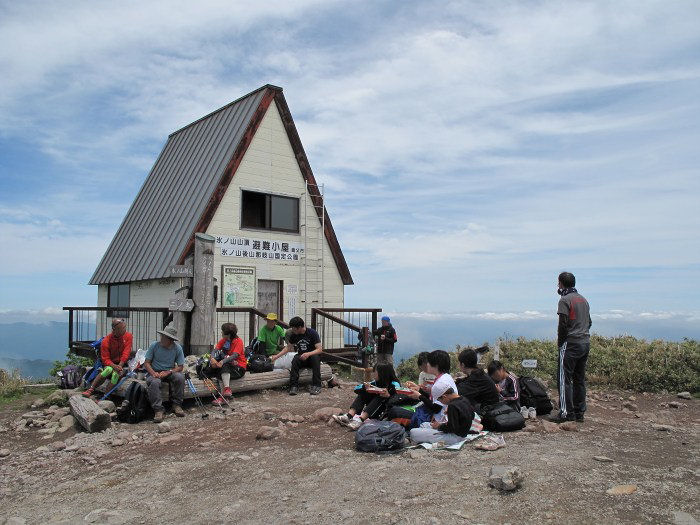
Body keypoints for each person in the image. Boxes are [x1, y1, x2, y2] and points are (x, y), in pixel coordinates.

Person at [553, 271, 591, 423]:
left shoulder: (564, 300)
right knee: (579, 379)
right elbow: (589, 322)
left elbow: (563, 323)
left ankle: (566, 413)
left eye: (558, 283)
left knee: (564, 379)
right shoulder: (583, 299)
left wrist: (561, 343)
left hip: (571, 343)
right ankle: (579, 412)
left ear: (561, 283)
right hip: (585, 342)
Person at [333, 364, 401, 430]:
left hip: (386, 411)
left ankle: (360, 420)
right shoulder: (376, 382)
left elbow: (400, 399)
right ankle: (348, 416)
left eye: (375, 372)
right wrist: (364, 387)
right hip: (374, 410)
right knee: (363, 393)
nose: (373, 373)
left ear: (382, 373)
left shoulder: (394, 384)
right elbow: (356, 389)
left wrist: (388, 396)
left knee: (381, 396)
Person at [143, 325, 185, 422]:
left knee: (180, 378)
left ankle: (177, 405)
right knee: (154, 383)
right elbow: (147, 363)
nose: (161, 338)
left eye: (163, 337)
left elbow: (180, 366)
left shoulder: (177, 348)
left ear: (170, 340)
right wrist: (153, 373)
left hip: (169, 371)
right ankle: (158, 410)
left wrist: (169, 372)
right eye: (162, 336)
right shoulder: (154, 345)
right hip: (155, 371)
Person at [404, 350, 457, 427]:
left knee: (413, 432)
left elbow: (436, 409)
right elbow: (434, 401)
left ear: (436, 365)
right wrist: (419, 390)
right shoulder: (446, 377)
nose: (427, 365)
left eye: (429, 362)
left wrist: (419, 396)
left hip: (439, 421)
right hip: (442, 417)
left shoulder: (440, 383)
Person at [82, 318, 133, 398]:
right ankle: (91, 389)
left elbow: (126, 352)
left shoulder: (128, 336)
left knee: (116, 375)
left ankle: (106, 395)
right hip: (110, 364)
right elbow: (105, 359)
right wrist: (114, 366)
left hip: (122, 364)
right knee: (108, 370)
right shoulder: (106, 340)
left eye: (124, 327)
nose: (124, 330)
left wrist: (119, 366)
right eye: (122, 328)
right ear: (115, 329)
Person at [409, 386, 477, 446]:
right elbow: (472, 415)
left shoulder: (452, 406)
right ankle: (426, 436)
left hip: (454, 437)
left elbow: (452, 428)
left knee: (413, 432)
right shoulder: (463, 399)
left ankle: (424, 437)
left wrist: (439, 426)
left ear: (444, 397)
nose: (441, 403)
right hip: (462, 433)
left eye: (439, 400)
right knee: (424, 424)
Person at [272, 316, 323, 395]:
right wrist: (276, 356)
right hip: (302, 358)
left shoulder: (312, 333)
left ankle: (317, 385)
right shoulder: (294, 335)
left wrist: (308, 354)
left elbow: (319, 349)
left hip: (311, 357)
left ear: (299, 327)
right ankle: (294, 386)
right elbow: (288, 348)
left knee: (315, 357)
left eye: (293, 328)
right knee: (295, 359)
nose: (292, 330)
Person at [207, 323, 246, 405]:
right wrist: (213, 358)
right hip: (228, 366)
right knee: (214, 369)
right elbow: (215, 350)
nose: (221, 333)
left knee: (224, 366)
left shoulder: (238, 341)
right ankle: (225, 394)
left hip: (239, 368)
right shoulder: (224, 341)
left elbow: (235, 355)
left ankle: (225, 394)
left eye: (222, 332)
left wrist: (222, 361)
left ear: (228, 334)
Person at [455, 349, 499, 413]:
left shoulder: (477, 378)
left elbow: (458, 392)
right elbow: (465, 382)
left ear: (463, 365)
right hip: (491, 407)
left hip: (489, 412)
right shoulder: (479, 373)